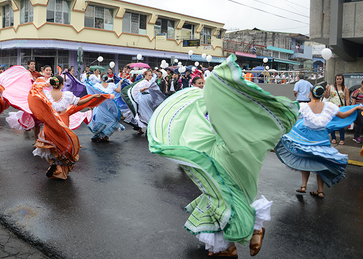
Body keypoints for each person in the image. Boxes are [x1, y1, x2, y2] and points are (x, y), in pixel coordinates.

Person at [148, 55, 298, 257]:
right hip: (224, 153)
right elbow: (196, 130)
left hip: (226, 155)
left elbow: (206, 130)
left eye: (204, 84)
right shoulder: (204, 108)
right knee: (222, 195)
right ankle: (233, 241)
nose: (202, 86)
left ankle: (241, 239)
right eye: (200, 83)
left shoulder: (217, 109)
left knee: (225, 197)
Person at [275, 85, 362, 199]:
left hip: (307, 138)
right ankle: (320, 191)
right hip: (322, 138)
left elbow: (290, 116)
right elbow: (343, 115)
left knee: (305, 159)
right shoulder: (330, 106)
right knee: (321, 163)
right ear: (322, 96)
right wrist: (355, 108)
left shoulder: (304, 107)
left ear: (310, 94)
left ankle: (303, 186)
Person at [29, 75, 108, 179]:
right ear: (61, 85)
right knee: (63, 143)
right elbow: (79, 102)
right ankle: (62, 169)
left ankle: (53, 163)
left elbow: (34, 89)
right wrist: (92, 97)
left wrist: (45, 84)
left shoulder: (46, 94)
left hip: (51, 120)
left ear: (52, 85)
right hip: (63, 121)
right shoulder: (66, 95)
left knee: (51, 144)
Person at [86, 74, 124, 142]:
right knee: (108, 120)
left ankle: (100, 135)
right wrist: (120, 83)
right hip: (109, 106)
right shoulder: (111, 85)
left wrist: (91, 104)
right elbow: (118, 90)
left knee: (100, 120)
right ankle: (105, 136)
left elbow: (93, 92)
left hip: (101, 106)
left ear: (100, 78)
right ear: (107, 79)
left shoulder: (97, 86)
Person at [324, 74, 350, 145]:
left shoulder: (345, 88)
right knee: (332, 124)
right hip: (332, 109)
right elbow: (326, 96)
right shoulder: (331, 87)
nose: (339, 80)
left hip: (341, 108)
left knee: (341, 124)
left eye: (340, 79)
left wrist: (347, 108)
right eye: (337, 79)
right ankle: (333, 138)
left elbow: (347, 98)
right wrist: (326, 89)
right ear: (335, 79)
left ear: (342, 80)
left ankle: (342, 139)